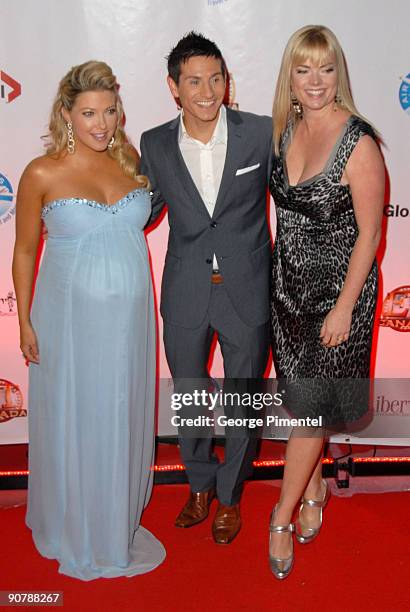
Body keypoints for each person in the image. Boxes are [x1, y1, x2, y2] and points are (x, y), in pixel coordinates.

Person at [12, 61, 165, 580]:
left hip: (130, 322)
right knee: (75, 415)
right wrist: (25, 322)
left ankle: (112, 517)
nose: (101, 123)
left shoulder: (131, 162)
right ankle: (74, 523)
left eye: (109, 110)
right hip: (67, 320)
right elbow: (25, 250)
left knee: (117, 413)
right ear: (66, 114)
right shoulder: (41, 172)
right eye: (89, 113)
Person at [140, 32, 272, 544]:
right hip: (186, 288)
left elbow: (293, 188)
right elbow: (141, 210)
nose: (207, 90)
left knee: (243, 400)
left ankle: (231, 495)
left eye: (216, 78)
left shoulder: (259, 133)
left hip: (247, 287)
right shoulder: (153, 143)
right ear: (174, 87)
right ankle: (199, 484)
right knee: (191, 397)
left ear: (227, 81)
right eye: (194, 80)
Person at [268, 25, 385, 579]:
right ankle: (313, 490)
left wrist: (345, 306)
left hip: (340, 299)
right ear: (290, 78)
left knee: (312, 411)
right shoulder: (283, 128)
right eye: (303, 69)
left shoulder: (358, 140)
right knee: (300, 406)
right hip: (288, 292)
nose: (316, 81)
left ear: (339, 74)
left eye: (326, 68)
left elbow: (368, 234)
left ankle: (281, 515)